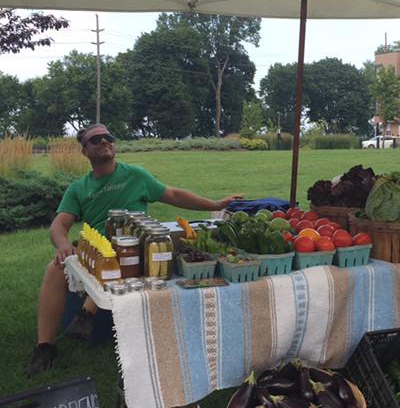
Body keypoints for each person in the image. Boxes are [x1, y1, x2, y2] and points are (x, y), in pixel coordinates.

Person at [24, 123, 242, 377]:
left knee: (126, 258)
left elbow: (172, 194)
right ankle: (45, 348)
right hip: (95, 249)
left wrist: (215, 204)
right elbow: (59, 224)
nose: (105, 142)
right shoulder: (78, 188)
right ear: (85, 151)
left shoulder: (136, 176)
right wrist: (63, 245)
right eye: (96, 140)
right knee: (54, 269)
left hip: (136, 247)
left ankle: (87, 315)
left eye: (108, 137)